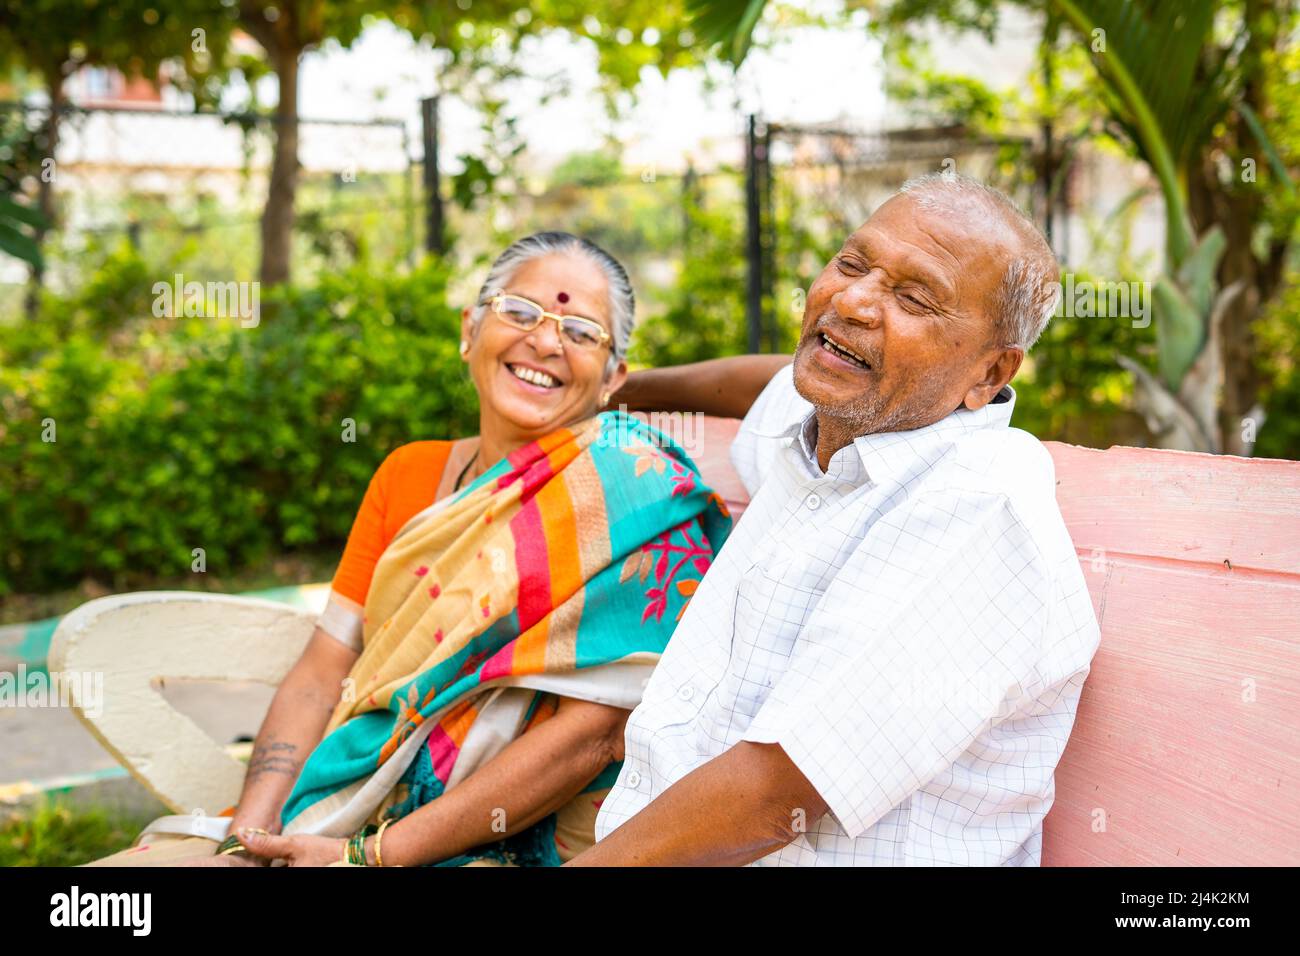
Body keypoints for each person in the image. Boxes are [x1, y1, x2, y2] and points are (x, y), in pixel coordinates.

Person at [83, 231, 731, 867]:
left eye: (581, 332)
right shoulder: (409, 475)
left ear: (615, 374)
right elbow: (324, 665)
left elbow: (589, 736)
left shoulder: (638, 493)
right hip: (337, 805)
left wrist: (369, 855)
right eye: (520, 312)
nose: (544, 340)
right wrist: (248, 835)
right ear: (469, 329)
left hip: (503, 842)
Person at [572, 173, 1102, 866]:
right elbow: (757, 381)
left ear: (989, 374)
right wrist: (621, 387)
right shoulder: (833, 425)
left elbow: (773, 797)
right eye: (851, 265)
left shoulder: (980, 502)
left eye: (913, 298)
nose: (851, 300)